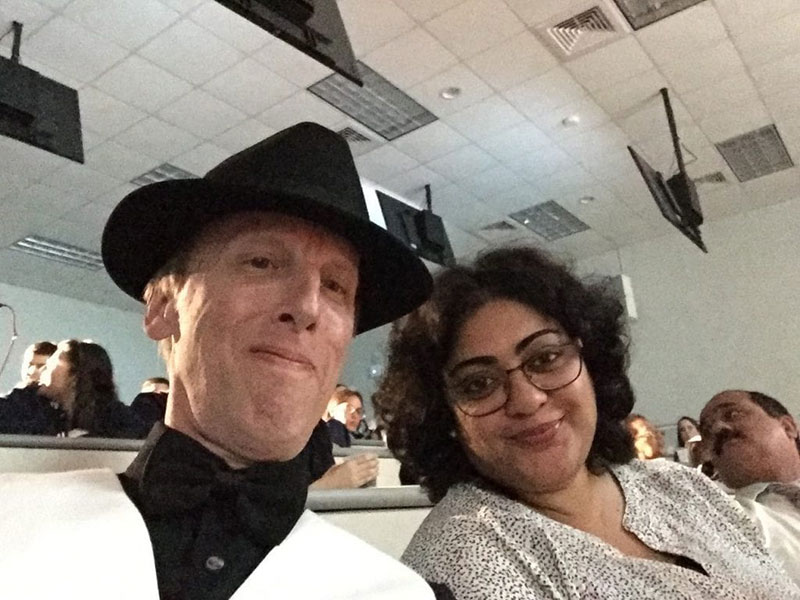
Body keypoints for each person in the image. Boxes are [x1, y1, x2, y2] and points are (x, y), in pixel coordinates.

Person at [0, 123, 438, 599]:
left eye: (336, 286)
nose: (308, 306)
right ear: (163, 308)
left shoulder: (397, 593)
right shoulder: (12, 519)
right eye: (262, 262)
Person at [374, 246, 799, 599]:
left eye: (545, 358)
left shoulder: (678, 485)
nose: (527, 399)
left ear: (589, 362)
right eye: (478, 384)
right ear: (444, 414)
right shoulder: (463, 562)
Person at [699, 389, 800, 584]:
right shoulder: (718, 523)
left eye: (732, 414)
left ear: (788, 427)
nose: (717, 427)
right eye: (706, 429)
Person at [0, 339, 144, 438]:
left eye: (50, 365)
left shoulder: (119, 420)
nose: (40, 371)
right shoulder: (27, 405)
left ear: (75, 375)